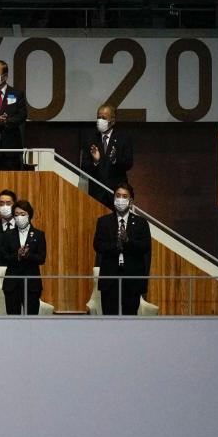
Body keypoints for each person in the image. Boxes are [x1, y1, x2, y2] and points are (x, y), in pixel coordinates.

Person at [93, 183, 152, 316]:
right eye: (118, 196)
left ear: (130, 201)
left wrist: (128, 242)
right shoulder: (104, 221)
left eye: (124, 196)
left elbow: (145, 247)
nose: (120, 199)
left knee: (129, 322)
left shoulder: (141, 223)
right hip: (110, 280)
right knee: (110, 320)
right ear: (114, 198)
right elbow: (98, 245)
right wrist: (116, 245)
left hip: (132, 281)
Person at [81, 103, 134, 207]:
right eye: (98, 117)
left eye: (104, 118)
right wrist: (95, 161)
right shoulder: (90, 138)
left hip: (116, 193)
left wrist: (115, 160)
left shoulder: (123, 138)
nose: (100, 120)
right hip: (96, 193)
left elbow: (129, 163)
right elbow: (84, 166)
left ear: (113, 121)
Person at [0, 200, 46, 315]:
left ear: (29, 215)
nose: (19, 217)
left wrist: (28, 255)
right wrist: (18, 256)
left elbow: (42, 258)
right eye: (16, 214)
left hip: (31, 286)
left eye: (22, 214)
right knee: (12, 322)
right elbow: (3, 256)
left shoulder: (38, 234)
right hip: (12, 285)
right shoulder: (8, 235)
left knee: (31, 322)